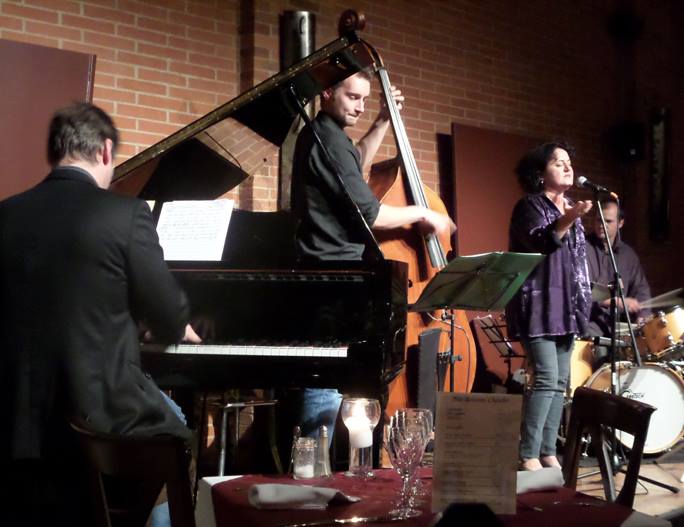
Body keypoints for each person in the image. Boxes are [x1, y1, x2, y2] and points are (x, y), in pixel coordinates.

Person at [0, 103, 200, 525]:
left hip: (15, 418)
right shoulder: (124, 214)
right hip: (95, 417)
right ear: (106, 151)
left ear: (56, 152)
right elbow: (167, 316)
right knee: (178, 425)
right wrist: (165, 322)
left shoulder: (5, 214)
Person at [289, 69, 455, 442]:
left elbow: (356, 165)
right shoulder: (326, 139)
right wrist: (423, 213)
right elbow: (372, 213)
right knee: (327, 382)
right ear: (327, 92)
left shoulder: (330, 138)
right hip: (332, 272)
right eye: (353, 97)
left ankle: (321, 469)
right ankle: (312, 470)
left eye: (366, 99)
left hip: (332, 269)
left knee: (333, 380)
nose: (361, 106)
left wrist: (382, 120)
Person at [505, 142, 593, 471]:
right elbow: (540, 242)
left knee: (560, 382)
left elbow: (578, 265)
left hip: (566, 308)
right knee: (544, 378)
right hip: (538, 305)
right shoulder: (529, 206)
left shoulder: (570, 209)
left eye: (569, 162)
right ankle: (527, 453)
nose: (568, 167)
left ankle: (546, 451)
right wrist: (568, 218)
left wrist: (584, 305)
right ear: (540, 174)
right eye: (559, 163)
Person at [586, 198, 651, 362]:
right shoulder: (583, 248)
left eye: (608, 221)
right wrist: (617, 301)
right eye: (598, 220)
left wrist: (643, 315)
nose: (602, 225)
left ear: (620, 223)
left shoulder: (628, 255)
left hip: (620, 331)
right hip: (590, 328)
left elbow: (641, 290)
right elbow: (584, 291)